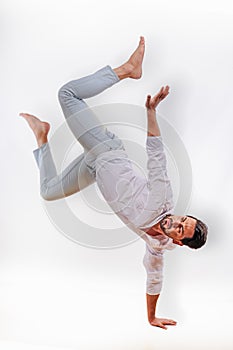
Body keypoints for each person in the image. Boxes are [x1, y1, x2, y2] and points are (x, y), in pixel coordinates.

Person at [20, 36, 208, 330]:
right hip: (107, 150)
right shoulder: (163, 199)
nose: (176, 222)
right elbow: (156, 154)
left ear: (178, 242)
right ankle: (127, 69)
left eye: (180, 229)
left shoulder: (156, 245)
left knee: (48, 191)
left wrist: (151, 317)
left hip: (94, 169)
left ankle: (42, 136)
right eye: (182, 219)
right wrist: (150, 112)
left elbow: (155, 279)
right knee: (67, 94)